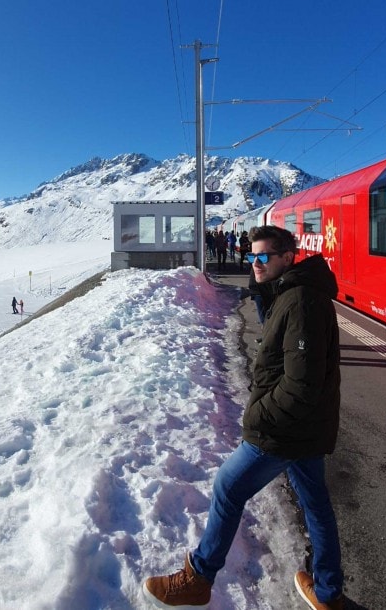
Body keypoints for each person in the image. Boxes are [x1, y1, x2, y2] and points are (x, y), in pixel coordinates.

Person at [146, 225, 347, 609]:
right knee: (316, 504)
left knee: (228, 487)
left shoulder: (300, 301)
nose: (255, 264)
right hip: (307, 428)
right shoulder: (292, 294)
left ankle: (198, 577)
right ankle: (327, 593)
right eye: (251, 257)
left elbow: (300, 384)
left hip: (284, 429)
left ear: (288, 258)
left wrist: (260, 417)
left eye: (263, 257)